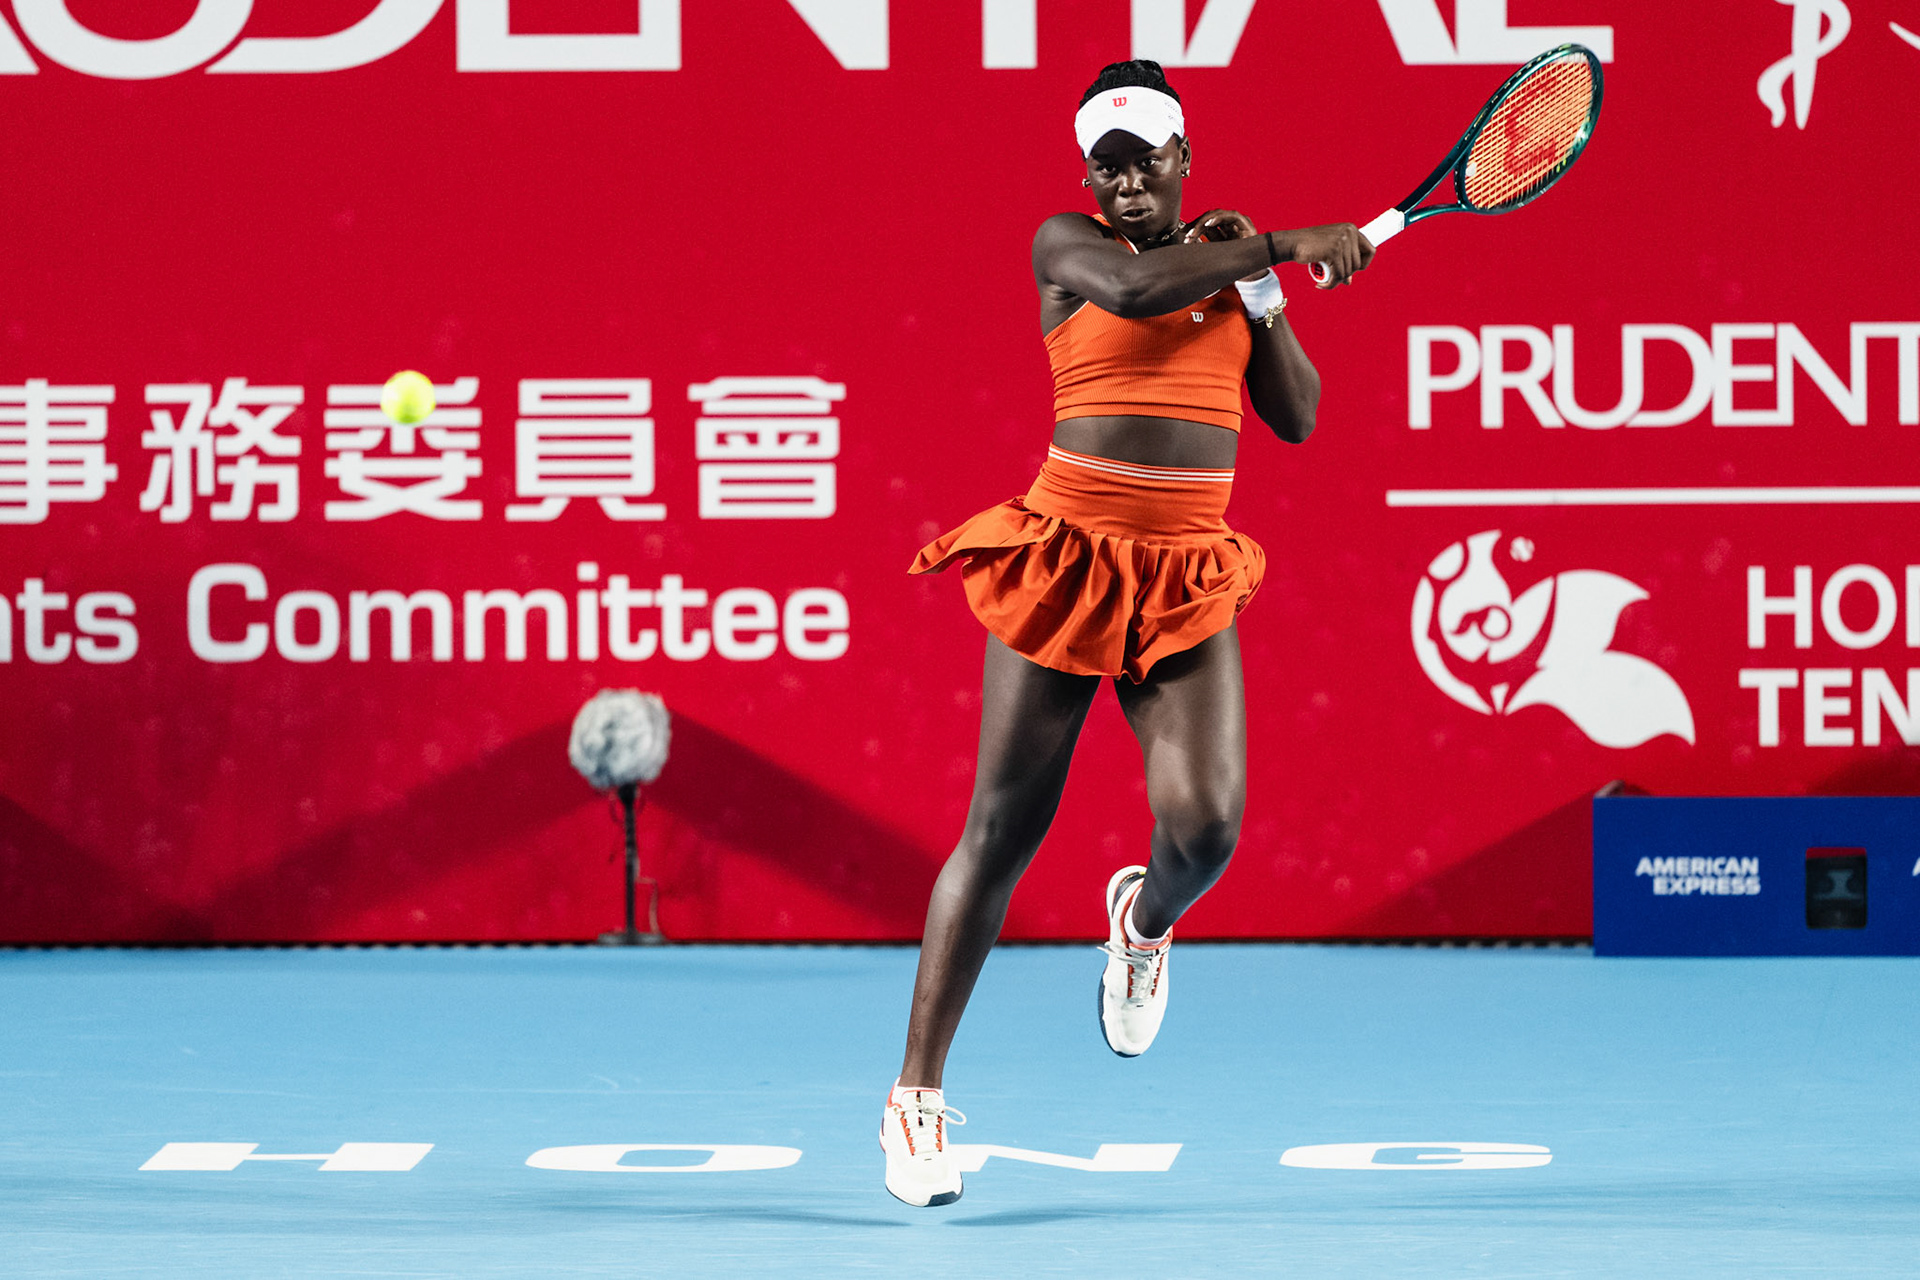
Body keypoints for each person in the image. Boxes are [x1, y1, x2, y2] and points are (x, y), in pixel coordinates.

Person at [879, 59, 1372, 1208]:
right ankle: (914, 1095)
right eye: (1106, 159)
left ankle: (1141, 924)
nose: (1123, 176)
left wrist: (1269, 294)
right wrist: (1288, 242)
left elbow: (1295, 418)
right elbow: (1140, 296)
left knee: (1206, 830)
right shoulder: (1069, 247)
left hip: (1186, 573)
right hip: (1067, 558)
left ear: (1184, 157)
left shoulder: (1233, 268)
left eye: (1144, 154)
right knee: (998, 834)